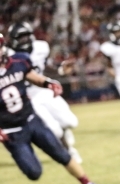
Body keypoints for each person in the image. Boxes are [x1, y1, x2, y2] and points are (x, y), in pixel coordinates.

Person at [0, 34, 102, 184]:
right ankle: (24, 155)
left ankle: (87, 183)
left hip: (31, 119)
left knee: (61, 153)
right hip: (11, 131)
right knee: (34, 173)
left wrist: (48, 83)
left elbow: (32, 76)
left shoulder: (18, 62)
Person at [7, 21, 83, 164]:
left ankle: (66, 139)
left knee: (71, 122)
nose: (24, 40)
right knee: (55, 130)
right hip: (29, 98)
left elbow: (44, 66)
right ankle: (69, 151)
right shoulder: (8, 56)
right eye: (20, 37)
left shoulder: (40, 47)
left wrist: (59, 69)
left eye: (26, 36)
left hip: (45, 91)